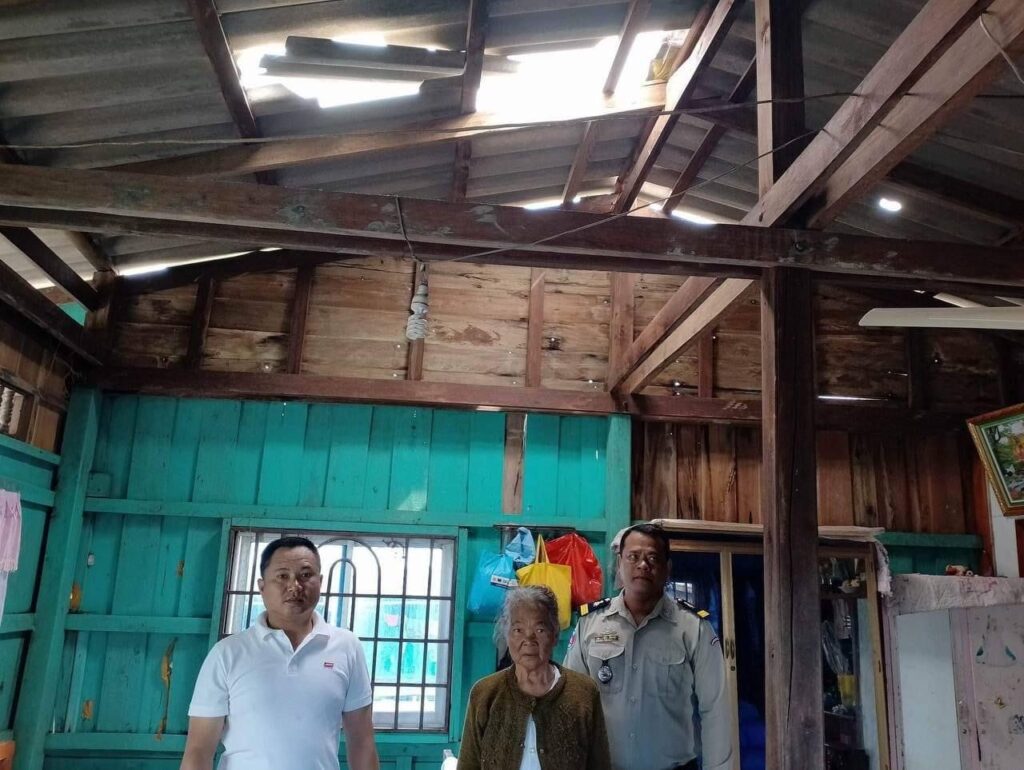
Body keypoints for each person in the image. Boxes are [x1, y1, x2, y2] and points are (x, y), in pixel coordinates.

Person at [180, 536, 380, 770]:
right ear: (262, 586)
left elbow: (362, 742)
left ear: (320, 582)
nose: (295, 586)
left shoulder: (347, 647)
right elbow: (199, 750)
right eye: (283, 576)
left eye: (306, 575)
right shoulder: (227, 653)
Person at [563, 523, 731, 770]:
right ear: (619, 563)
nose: (643, 565)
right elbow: (571, 701)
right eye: (633, 557)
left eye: (653, 558)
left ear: (667, 568)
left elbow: (715, 708)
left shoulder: (694, 628)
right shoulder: (590, 624)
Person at [458, 585, 611, 770]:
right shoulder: (484, 694)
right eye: (518, 630)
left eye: (540, 630)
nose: (528, 640)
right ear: (507, 635)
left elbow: (600, 765)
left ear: (554, 635)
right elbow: (468, 765)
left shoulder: (584, 693)